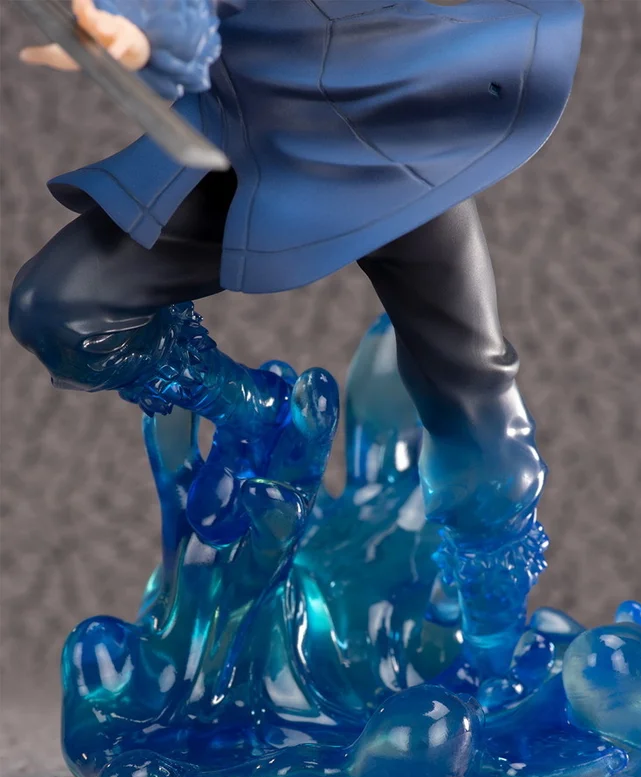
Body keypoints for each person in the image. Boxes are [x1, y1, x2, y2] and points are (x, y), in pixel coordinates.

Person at [9, 0, 584, 547]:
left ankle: (489, 604)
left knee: (483, 431)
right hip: (263, 142)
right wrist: (138, 30)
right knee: (62, 311)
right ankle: (258, 417)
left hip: (399, 142)